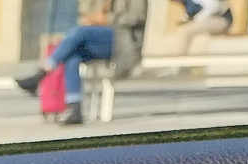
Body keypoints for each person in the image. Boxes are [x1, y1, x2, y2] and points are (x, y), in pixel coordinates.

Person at [16, 0, 234, 126]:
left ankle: (42, 72)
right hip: (111, 37)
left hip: (125, 41)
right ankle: (74, 108)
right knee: (73, 54)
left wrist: (104, 21)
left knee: (77, 33)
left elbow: (134, 20)